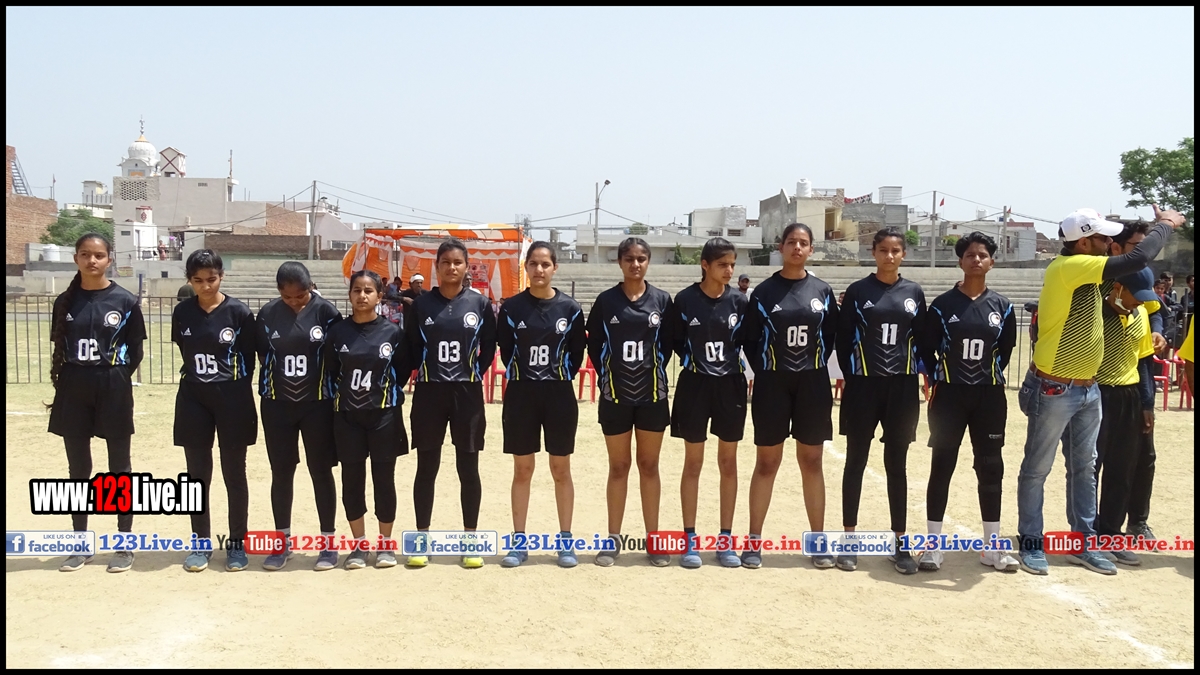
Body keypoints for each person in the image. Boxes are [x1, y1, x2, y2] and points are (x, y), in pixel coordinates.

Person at [1015, 205, 1184, 576]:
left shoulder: (1090, 272)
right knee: (1037, 469)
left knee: (1084, 470)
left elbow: (1138, 279)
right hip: (1055, 386)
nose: (1110, 243)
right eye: (1103, 238)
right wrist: (1165, 225)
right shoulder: (1069, 267)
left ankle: (1084, 543)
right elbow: (1137, 257)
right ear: (1083, 242)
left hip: (1087, 388)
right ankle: (1030, 542)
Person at [918, 232, 1018, 573]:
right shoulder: (943, 305)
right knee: (942, 465)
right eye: (970, 255)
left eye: (983, 255)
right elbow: (927, 349)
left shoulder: (1003, 306)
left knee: (990, 466)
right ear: (960, 261)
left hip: (989, 395)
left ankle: (992, 547)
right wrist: (942, 378)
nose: (976, 259)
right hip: (949, 395)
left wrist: (983, 376)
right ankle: (933, 547)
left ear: (992, 262)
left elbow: (1005, 351)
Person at [739, 224, 838, 570]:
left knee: (811, 462)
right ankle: (754, 541)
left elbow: (831, 337)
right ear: (780, 247)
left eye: (803, 243)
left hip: (812, 383)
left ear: (811, 249)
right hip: (772, 384)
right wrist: (769, 370)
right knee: (767, 463)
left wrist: (809, 366)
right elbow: (750, 340)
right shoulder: (764, 293)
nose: (797, 247)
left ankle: (817, 541)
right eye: (791, 242)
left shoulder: (822, 291)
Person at [47, 232, 146, 573]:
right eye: (85, 254)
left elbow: (136, 351)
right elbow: (59, 344)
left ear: (109, 259)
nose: (92, 260)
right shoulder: (65, 301)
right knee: (78, 469)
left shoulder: (125, 301)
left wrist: (113, 377)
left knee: (120, 468)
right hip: (74, 387)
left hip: (112, 386)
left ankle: (124, 543)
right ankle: (80, 544)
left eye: (99, 255)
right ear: (76, 258)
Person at [836, 227, 926, 574]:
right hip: (863, 386)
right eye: (883, 250)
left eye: (896, 250)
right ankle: (849, 541)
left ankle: (900, 544)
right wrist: (857, 374)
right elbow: (843, 340)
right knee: (855, 461)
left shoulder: (913, 292)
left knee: (896, 465)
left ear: (903, 254)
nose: (889, 256)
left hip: (901, 388)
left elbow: (922, 339)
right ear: (873, 253)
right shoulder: (858, 291)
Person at [406, 239, 496, 569]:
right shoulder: (421, 305)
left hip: (466, 395)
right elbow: (412, 347)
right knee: (426, 467)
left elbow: (488, 348)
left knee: (468, 468)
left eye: (458, 262)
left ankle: (470, 541)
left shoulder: (480, 304)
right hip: (429, 393)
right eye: (445, 262)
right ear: (437, 266)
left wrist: (470, 374)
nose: (452, 267)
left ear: (466, 267)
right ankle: (422, 540)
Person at [497, 242, 587, 568]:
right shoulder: (511, 308)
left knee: (560, 469)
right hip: (522, 394)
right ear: (526, 267)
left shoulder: (570, 309)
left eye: (545, 264)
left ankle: (565, 541)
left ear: (555, 268)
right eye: (533, 263)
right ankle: (519, 542)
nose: (539, 270)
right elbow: (507, 351)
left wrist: (555, 376)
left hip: (559, 395)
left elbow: (576, 355)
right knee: (523, 469)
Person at [586, 237, 674, 567]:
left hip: (652, 396)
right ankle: (612, 540)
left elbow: (668, 344)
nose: (635, 264)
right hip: (615, 397)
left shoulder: (662, 301)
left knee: (649, 466)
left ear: (648, 261)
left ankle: (653, 540)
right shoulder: (606, 301)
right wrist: (611, 377)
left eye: (641, 259)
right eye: (629, 259)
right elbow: (594, 345)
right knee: (619, 467)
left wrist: (651, 373)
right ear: (619, 262)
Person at [172, 249, 257, 572]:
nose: (206, 286)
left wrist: (231, 387)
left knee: (234, 473)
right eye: (198, 280)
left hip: (232, 399)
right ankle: (200, 543)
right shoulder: (182, 312)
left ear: (222, 276)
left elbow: (249, 358)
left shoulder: (239, 312)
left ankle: (236, 544)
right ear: (189, 280)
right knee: (197, 476)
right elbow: (185, 349)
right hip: (193, 398)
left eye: (212, 279)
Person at [255, 262, 343, 571]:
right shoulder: (267, 314)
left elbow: (336, 357)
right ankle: (282, 544)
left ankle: (328, 543)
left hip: (317, 404)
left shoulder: (327, 313)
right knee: (281, 472)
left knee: (320, 471)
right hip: (277, 404)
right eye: (287, 297)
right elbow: (263, 355)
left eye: (301, 296)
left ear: (311, 287)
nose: (294, 301)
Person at [668, 237, 749, 569]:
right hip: (695, 384)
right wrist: (698, 362)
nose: (729, 270)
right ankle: (690, 540)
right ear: (705, 265)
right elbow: (675, 341)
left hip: (730, 385)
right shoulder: (685, 300)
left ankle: (725, 540)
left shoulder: (740, 301)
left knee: (728, 463)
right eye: (722, 265)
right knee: (693, 463)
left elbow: (748, 341)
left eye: (732, 264)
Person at [326, 270, 411, 569]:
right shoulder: (337, 332)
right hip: (347, 417)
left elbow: (402, 371)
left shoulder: (392, 332)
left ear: (379, 296)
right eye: (357, 290)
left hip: (383, 416)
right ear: (350, 294)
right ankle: (359, 546)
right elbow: (331, 371)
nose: (362, 296)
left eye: (368, 291)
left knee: (384, 480)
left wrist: (381, 395)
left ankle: (385, 545)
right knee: (352, 481)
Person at [1093, 263, 1157, 568]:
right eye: (1136, 295)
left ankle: (1111, 535)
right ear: (1117, 288)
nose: (1139, 303)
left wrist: (1147, 404)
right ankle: (1087, 536)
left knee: (1122, 470)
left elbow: (1143, 361)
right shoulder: (1095, 315)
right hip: (1097, 394)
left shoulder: (1140, 314)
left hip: (1129, 395)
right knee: (1090, 469)